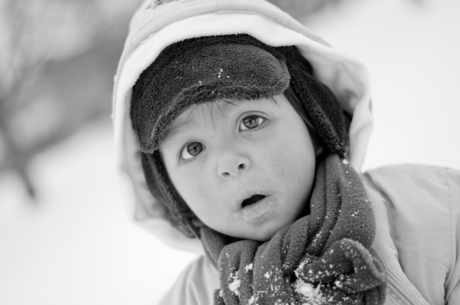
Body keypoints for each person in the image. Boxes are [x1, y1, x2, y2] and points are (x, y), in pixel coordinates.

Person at [111, 0, 460, 304]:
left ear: (316, 123)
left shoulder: (436, 211)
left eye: (251, 121)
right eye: (193, 148)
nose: (230, 162)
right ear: (170, 192)